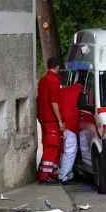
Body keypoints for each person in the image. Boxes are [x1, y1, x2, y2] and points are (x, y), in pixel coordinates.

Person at [37, 57, 65, 185]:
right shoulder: (53, 81)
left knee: (51, 145)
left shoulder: (42, 80)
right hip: (51, 119)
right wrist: (60, 120)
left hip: (44, 118)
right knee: (52, 146)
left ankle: (50, 173)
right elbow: (53, 102)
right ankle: (45, 175)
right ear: (57, 67)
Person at [58, 74, 85, 185]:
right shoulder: (83, 92)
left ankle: (68, 174)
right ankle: (64, 176)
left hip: (61, 122)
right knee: (70, 150)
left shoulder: (65, 90)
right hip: (70, 124)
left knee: (64, 150)